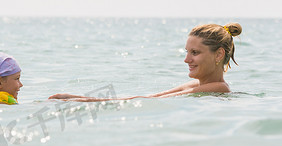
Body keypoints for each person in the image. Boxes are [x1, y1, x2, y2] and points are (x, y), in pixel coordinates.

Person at [49, 22, 242, 102]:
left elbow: (155, 102)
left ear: (218, 55)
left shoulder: (219, 88)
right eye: (187, 52)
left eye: (195, 53)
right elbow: (150, 98)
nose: (186, 59)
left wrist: (85, 101)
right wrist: (78, 98)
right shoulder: (197, 84)